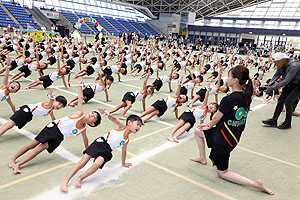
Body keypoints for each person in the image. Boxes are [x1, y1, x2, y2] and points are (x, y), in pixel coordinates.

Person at [198, 65, 274, 195]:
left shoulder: (228, 99)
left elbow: (216, 118)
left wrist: (208, 125)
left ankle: (255, 185)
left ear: (235, 80)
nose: (227, 78)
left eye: (229, 76)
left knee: (222, 172)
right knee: (198, 131)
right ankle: (202, 158)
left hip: (223, 139)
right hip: (234, 135)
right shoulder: (246, 95)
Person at [8, 77, 101, 174]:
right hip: (53, 128)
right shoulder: (79, 113)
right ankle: (13, 159)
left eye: (94, 117)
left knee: (40, 148)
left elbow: (85, 140)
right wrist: (79, 85)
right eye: (92, 113)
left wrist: (88, 152)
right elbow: (80, 98)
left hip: (59, 137)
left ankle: (19, 164)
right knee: (33, 144)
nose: (91, 114)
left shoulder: (83, 128)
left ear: (92, 124)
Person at [60, 110, 142, 193]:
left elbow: (124, 151)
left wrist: (123, 163)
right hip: (100, 143)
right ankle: (65, 181)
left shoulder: (126, 140)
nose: (138, 127)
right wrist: (108, 115)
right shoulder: (122, 127)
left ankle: (80, 178)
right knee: (84, 161)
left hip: (107, 150)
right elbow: (115, 120)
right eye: (137, 124)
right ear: (129, 123)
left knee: (98, 163)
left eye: (140, 126)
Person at [0, 88, 67, 137]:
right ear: (55, 100)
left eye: (61, 106)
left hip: (28, 114)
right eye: (59, 103)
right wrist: (51, 97)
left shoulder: (51, 110)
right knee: (11, 124)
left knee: (9, 124)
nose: (59, 106)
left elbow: (54, 119)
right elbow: (50, 103)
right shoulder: (48, 105)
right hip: (26, 111)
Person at [262, 52, 300, 129]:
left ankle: (287, 123)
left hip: (298, 86)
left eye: (276, 62)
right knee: (280, 101)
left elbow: (286, 80)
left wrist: (271, 88)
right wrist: (269, 85)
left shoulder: (294, 65)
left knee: (288, 102)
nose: (275, 64)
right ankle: (274, 120)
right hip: (291, 84)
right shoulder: (281, 64)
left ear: (282, 60)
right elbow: (276, 75)